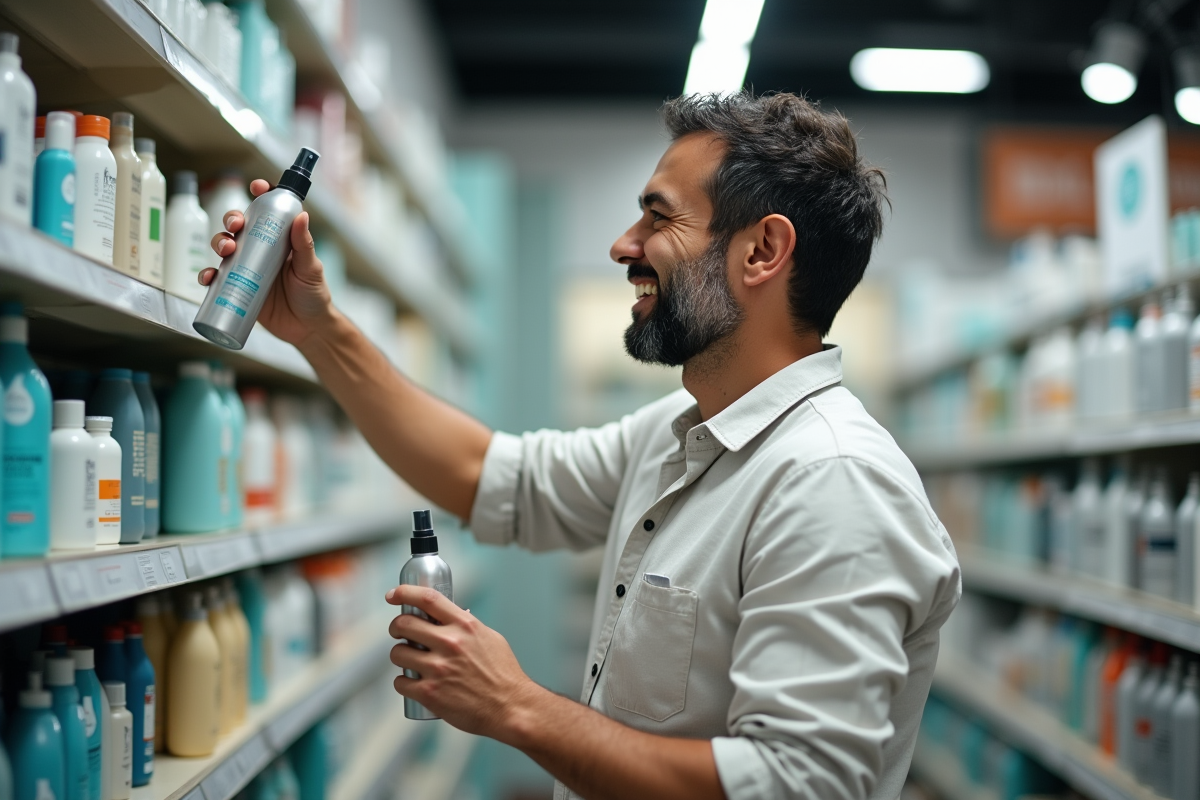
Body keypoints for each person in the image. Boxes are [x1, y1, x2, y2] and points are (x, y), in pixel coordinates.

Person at [203, 91, 960, 800]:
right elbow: (488, 476)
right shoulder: (677, 434)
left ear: (762, 251)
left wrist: (516, 707)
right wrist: (317, 328)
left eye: (658, 220)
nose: (621, 245)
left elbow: (798, 783)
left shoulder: (832, 482)